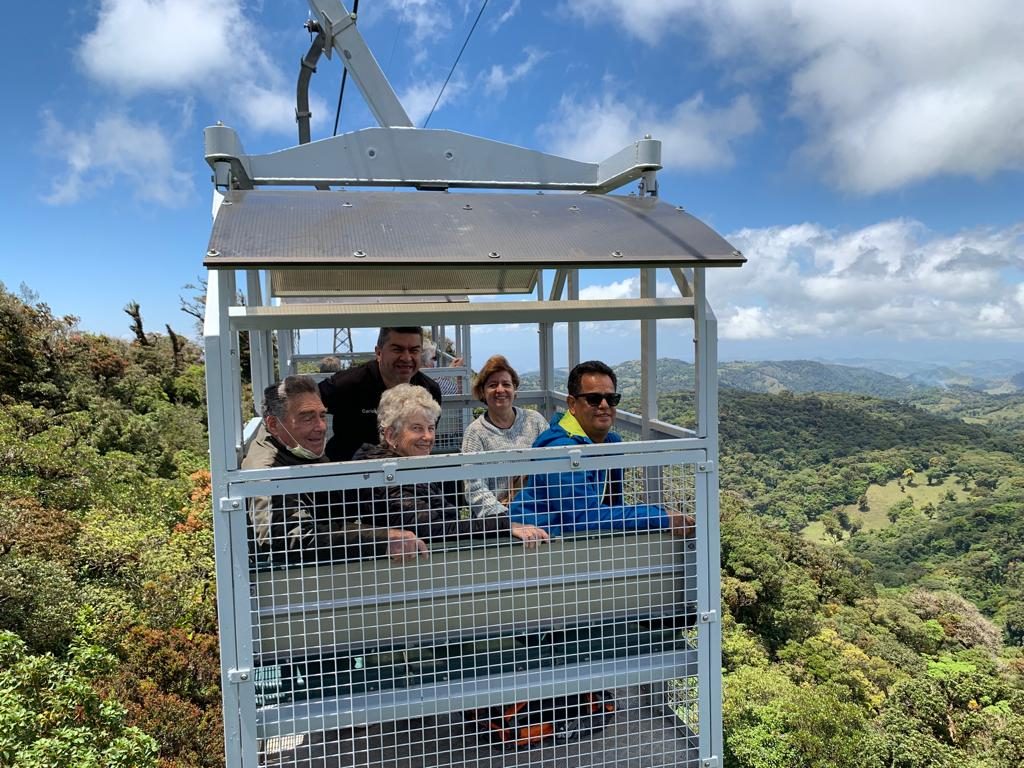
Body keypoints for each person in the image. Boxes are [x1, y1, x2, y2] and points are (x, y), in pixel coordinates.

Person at [242, 375, 427, 564]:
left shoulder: (299, 449)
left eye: (322, 416)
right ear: (274, 425)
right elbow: (286, 541)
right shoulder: (266, 472)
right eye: (307, 418)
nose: (321, 427)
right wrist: (381, 540)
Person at [509, 360, 693, 538]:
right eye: (594, 399)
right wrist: (659, 517)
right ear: (572, 404)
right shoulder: (560, 451)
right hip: (534, 542)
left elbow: (611, 504)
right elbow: (584, 518)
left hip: (564, 538)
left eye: (611, 399)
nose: (604, 405)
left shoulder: (609, 443)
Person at [350, 384, 511, 547]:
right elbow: (435, 529)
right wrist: (505, 524)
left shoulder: (407, 465)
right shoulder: (385, 477)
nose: (427, 437)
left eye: (431, 428)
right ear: (391, 435)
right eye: (417, 428)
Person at [461, 355, 550, 546]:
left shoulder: (535, 421)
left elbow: (552, 464)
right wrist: (506, 522)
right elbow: (474, 488)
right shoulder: (475, 433)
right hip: (500, 524)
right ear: (483, 392)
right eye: (492, 385)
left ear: (515, 390)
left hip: (540, 511)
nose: (500, 390)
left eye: (506, 384)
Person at [319, 327, 442, 461]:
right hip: (345, 468)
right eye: (397, 349)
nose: (407, 358)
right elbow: (307, 405)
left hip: (406, 467)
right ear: (379, 353)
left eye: (414, 350)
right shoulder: (347, 384)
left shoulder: (429, 391)